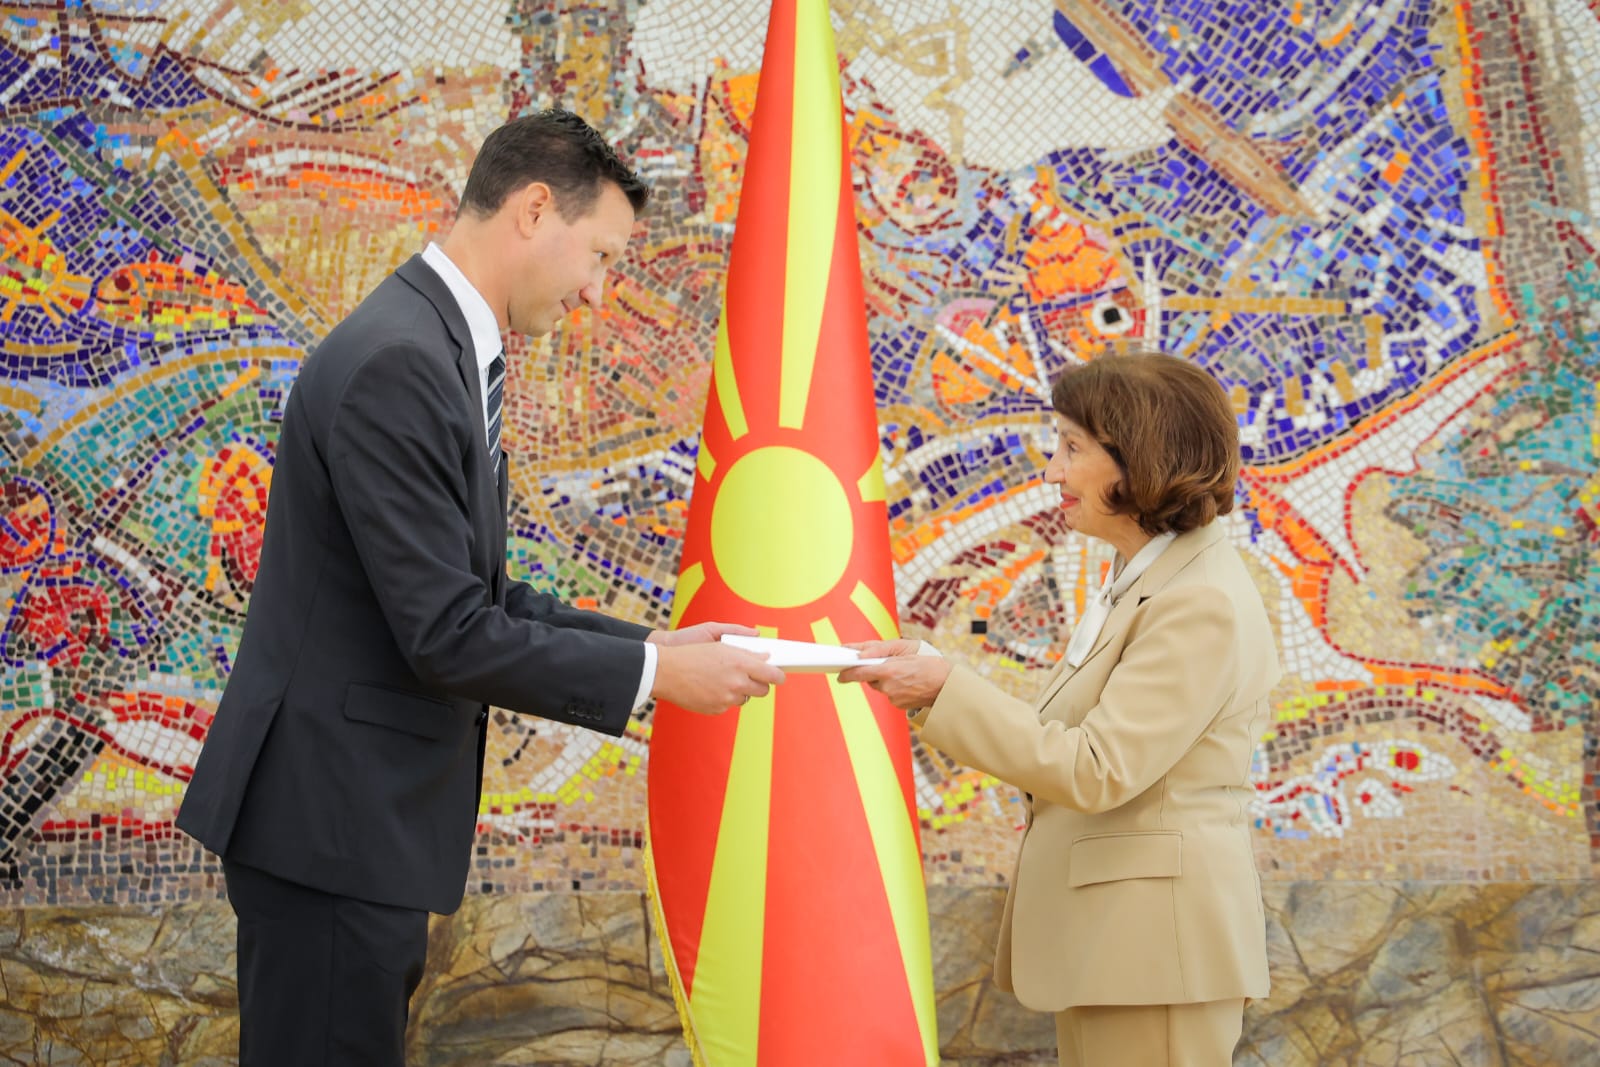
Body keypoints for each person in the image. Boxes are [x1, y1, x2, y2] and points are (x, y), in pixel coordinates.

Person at [175, 108, 785, 1067]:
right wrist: (650, 684)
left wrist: (650, 648)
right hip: (332, 825)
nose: (598, 291)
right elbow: (448, 633)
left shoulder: (439, 349)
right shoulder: (402, 363)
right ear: (535, 210)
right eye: (601, 255)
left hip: (352, 827)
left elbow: (480, 595)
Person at [841, 351, 1277, 1067]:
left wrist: (943, 688)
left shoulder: (1197, 601)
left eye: (1072, 447)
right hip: (1120, 949)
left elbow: (1098, 767)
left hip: (1154, 956)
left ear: (1139, 459)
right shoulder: (1146, 578)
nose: (1052, 470)